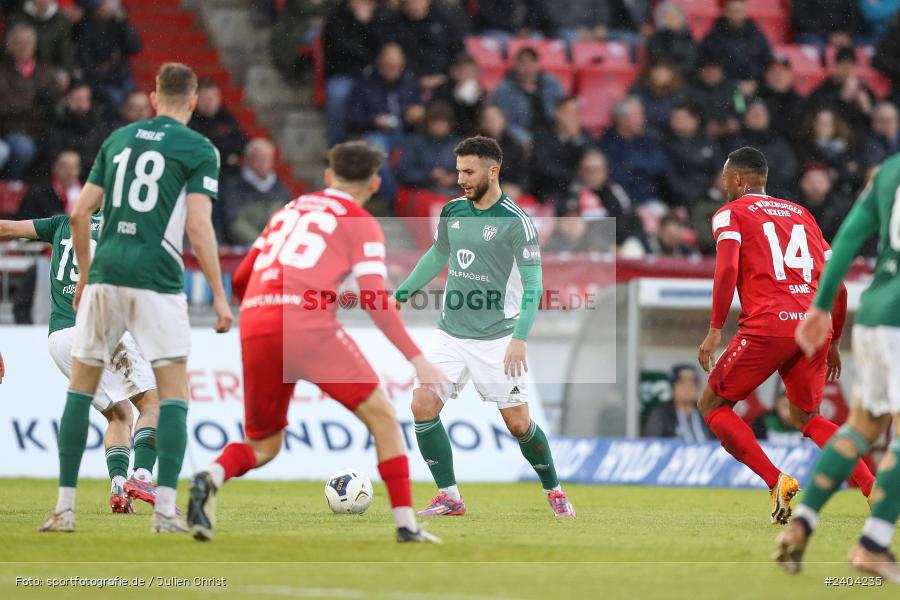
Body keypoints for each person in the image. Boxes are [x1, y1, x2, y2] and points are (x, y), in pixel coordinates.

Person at [187, 141, 447, 544]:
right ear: (375, 183)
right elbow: (375, 298)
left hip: (257, 321)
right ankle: (406, 525)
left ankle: (212, 475)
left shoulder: (287, 211)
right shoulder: (361, 222)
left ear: (328, 176)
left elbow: (239, 279)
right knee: (382, 418)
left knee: (264, 442)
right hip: (307, 324)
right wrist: (418, 360)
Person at [37, 63, 233, 534]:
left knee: (81, 392)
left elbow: (81, 213)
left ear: (152, 98)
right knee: (169, 397)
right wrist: (221, 298)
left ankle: (64, 510)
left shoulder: (118, 141)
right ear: (191, 103)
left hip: (106, 277)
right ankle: (165, 511)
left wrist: (85, 274)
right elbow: (199, 226)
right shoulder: (198, 147)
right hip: (157, 278)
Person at [394, 136, 576, 518]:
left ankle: (554, 490)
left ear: (493, 172)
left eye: (468, 171)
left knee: (518, 423)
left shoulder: (516, 223)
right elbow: (437, 255)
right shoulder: (453, 211)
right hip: (450, 333)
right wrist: (401, 294)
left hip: (498, 338)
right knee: (422, 405)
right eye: (459, 170)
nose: (461, 178)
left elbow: (534, 286)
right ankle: (449, 496)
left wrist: (520, 339)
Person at [696, 147, 874, 526]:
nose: (723, 185)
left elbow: (726, 269)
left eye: (726, 178)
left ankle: (777, 480)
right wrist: (835, 341)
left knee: (712, 405)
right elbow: (838, 288)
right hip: (814, 327)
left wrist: (714, 330)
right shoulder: (802, 214)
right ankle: (873, 488)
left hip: (768, 325)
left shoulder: (730, 213)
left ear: (739, 179)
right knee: (807, 417)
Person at [774, 151, 900, 582]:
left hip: (876, 313)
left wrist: (821, 306)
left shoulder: (887, 171)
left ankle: (804, 520)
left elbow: (846, 239)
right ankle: (873, 544)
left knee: (862, 427)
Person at [0, 212, 160, 514]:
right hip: (98, 325)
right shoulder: (124, 228)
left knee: (120, 413)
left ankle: (118, 487)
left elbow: (5, 227)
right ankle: (142, 476)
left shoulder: (61, 223)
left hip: (59, 338)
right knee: (152, 404)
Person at [346, 42, 424, 206]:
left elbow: (422, 111)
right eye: (389, 64)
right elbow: (353, 117)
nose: (393, 68)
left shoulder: (410, 83)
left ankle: (415, 200)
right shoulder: (364, 84)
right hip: (374, 132)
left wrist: (415, 116)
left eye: (396, 65)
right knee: (377, 150)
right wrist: (374, 120)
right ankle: (394, 201)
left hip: (406, 132)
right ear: (380, 61)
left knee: (424, 148)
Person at [321, 0, 389, 146]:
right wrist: (367, 55)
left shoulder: (381, 17)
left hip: (374, 75)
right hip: (343, 73)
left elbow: (383, 48)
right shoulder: (336, 18)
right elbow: (340, 48)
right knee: (338, 95)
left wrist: (367, 24)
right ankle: (336, 146)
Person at [0, 23, 58, 183]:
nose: (25, 46)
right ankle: (14, 187)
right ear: (9, 46)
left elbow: (54, 104)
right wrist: (34, 102)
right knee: (23, 147)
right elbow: (4, 108)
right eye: (20, 42)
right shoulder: (3, 72)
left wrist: (33, 104)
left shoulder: (46, 71)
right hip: (12, 129)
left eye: (29, 42)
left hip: (42, 128)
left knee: (58, 145)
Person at [218, 138, 292, 246]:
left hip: (274, 246)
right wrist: (260, 242)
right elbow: (233, 222)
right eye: (260, 159)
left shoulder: (281, 189)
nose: (265, 163)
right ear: (249, 160)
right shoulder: (233, 187)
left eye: (268, 159)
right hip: (242, 249)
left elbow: (288, 220)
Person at [566, 148, 644, 249]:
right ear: (580, 172)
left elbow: (629, 220)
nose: (592, 175)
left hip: (616, 246)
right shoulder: (572, 192)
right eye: (588, 170)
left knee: (633, 247)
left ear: (605, 171)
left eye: (597, 170)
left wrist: (617, 244)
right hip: (583, 248)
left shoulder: (615, 191)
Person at [74, 0, 142, 116]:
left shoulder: (117, 25)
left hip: (119, 76)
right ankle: (113, 129)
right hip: (98, 79)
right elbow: (87, 63)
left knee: (137, 99)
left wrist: (123, 22)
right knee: (115, 98)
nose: (108, 9)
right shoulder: (85, 29)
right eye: (103, 6)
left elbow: (135, 47)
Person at [598, 96, 668, 206]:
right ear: (622, 119)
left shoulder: (648, 139)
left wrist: (631, 164)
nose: (642, 119)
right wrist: (643, 167)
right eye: (637, 115)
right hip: (621, 203)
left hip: (650, 200)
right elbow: (616, 176)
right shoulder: (607, 143)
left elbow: (660, 166)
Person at [491, 47, 565, 146]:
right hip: (523, 132)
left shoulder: (550, 83)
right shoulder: (505, 89)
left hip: (551, 130)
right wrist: (522, 137)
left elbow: (563, 106)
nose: (527, 67)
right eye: (522, 63)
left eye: (531, 62)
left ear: (537, 64)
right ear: (516, 66)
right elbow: (504, 121)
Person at [529, 96, 591, 202]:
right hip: (550, 189)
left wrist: (575, 139)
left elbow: (592, 160)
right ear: (557, 113)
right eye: (568, 112)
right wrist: (573, 178)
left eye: (575, 113)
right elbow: (544, 166)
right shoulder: (542, 135)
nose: (571, 117)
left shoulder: (583, 136)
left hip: (581, 187)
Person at [47, 79, 110, 180]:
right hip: (66, 175)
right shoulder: (57, 123)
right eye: (76, 99)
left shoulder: (99, 125)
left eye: (84, 99)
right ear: (67, 99)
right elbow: (54, 153)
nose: (80, 104)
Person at [397, 101, 463, 197]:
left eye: (443, 123)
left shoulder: (460, 144)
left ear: (450, 124)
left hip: (454, 192)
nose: (439, 127)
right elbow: (404, 174)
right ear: (428, 123)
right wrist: (430, 175)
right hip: (422, 192)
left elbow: (471, 171)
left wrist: (455, 178)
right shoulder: (415, 142)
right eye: (435, 123)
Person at [699, 0, 772, 85]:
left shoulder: (757, 35)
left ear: (745, 11)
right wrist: (733, 85)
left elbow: (767, 62)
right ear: (725, 11)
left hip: (754, 87)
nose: (736, 15)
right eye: (733, 10)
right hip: (721, 89)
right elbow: (705, 66)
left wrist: (754, 82)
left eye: (739, 11)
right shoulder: (713, 36)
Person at [663, 100, 721, 208]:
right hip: (680, 202)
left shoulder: (708, 141)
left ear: (695, 120)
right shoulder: (666, 145)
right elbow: (670, 180)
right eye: (673, 118)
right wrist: (695, 198)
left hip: (710, 198)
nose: (674, 122)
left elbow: (719, 170)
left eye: (680, 119)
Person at [188, 79, 248, 173]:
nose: (208, 103)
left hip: (230, 174)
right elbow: (201, 150)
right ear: (195, 100)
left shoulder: (227, 117)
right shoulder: (190, 122)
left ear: (219, 98)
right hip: (202, 173)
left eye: (211, 98)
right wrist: (227, 156)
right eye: (204, 99)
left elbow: (243, 141)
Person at [642, 364, 710, 442]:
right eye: (682, 384)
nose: (688, 389)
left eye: (692, 385)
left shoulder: (706, 413)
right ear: (673, 388)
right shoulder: (661, 414)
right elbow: (653, 446)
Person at [15, 150, 81, 220]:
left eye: (74, 167)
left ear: (79, 169)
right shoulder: (37, 194)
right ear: (55, 168)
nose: (70, 172)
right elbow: (25, 220)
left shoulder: (86, 193)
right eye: (65, 166)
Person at [757, 54, 807, 140]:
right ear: (766, 75)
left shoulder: (801, 102)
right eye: (773, 72)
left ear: (791, 75)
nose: (778, 76)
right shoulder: (756, 99)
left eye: (782, 72)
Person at [645, 2, 696, 77]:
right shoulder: (656, 38)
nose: (671, 19)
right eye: (667, 16)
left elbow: (690, 63)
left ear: (682, 18)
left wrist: (674, 72)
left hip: (683, 77)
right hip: (661, 76)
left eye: (674, 15)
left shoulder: (690, 39)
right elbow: (655, 58)